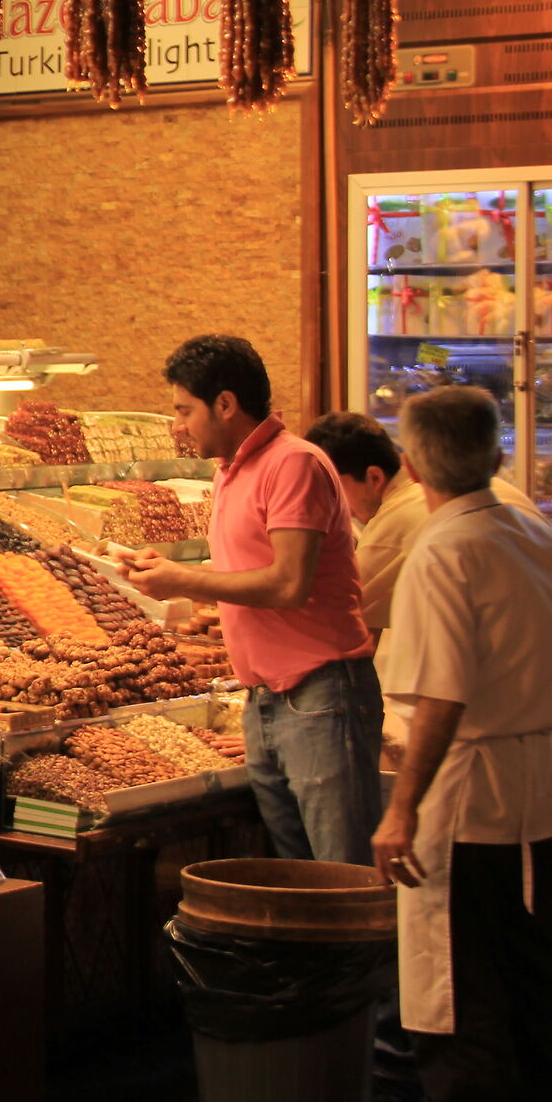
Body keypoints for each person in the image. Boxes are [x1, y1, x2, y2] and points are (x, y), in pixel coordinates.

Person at [368, 387, 552, 1102]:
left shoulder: (444, 550)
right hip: (539, 785)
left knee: (455, 982)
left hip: (468, 791)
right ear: (497, 455)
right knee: (538, 973)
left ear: (411, 467)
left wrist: (401, 809)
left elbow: (442, 697)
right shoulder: (542, 536)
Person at [126, 336, 378, 864]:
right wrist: (167, 574)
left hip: (321, 694)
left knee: (342, 876)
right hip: (264, 698)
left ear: (225, 404)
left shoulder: (293, 464)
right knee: (296, 877)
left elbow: (288, 584)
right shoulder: (229, 469)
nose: (177, 426)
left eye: (184, 410)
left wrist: (184, 580)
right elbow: (244, 572)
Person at [303, 409, 543, 634]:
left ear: (374, 477)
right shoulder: (476, 487)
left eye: (333, 490)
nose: (335, 506)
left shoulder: (400, 514)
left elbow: (336, 609)